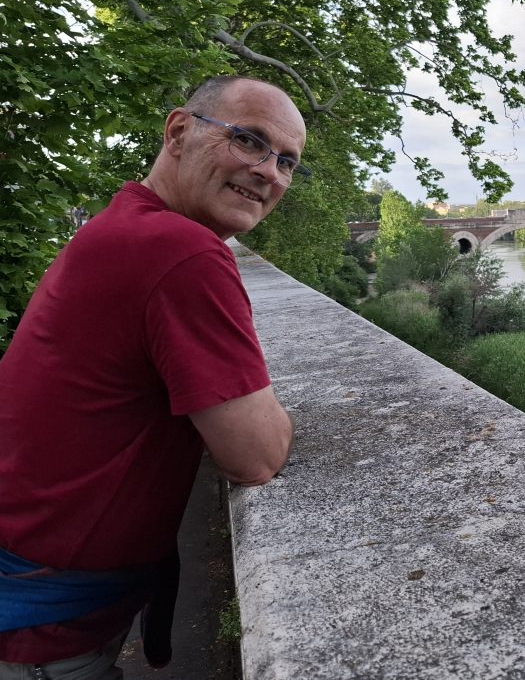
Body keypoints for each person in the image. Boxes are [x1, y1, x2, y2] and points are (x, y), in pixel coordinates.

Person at [0, 75, 304, 678]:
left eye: (287, 161)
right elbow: (257, 455)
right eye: (249, 140)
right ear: (179, 132)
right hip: (39, 632)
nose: (269, 172)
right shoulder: (179, 249)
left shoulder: (125, 224)